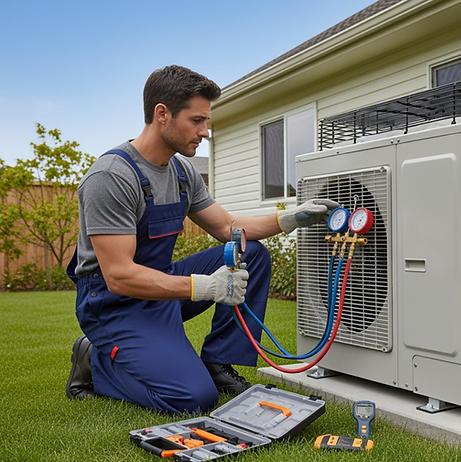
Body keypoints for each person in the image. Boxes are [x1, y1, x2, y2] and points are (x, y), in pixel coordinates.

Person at [65, 65, 337, 414]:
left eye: (206, 121)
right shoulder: (112, 177)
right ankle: (95, 363)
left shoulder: (182, 172)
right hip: (114, 303)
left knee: (250, 252)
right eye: (197, 121)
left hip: (160, 285)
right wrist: (206, 288)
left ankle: (218, 363)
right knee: (193, 398)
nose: (205, 132)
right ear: (162, 114)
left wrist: (289, 219)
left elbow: (228, 228)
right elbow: (119, 275)